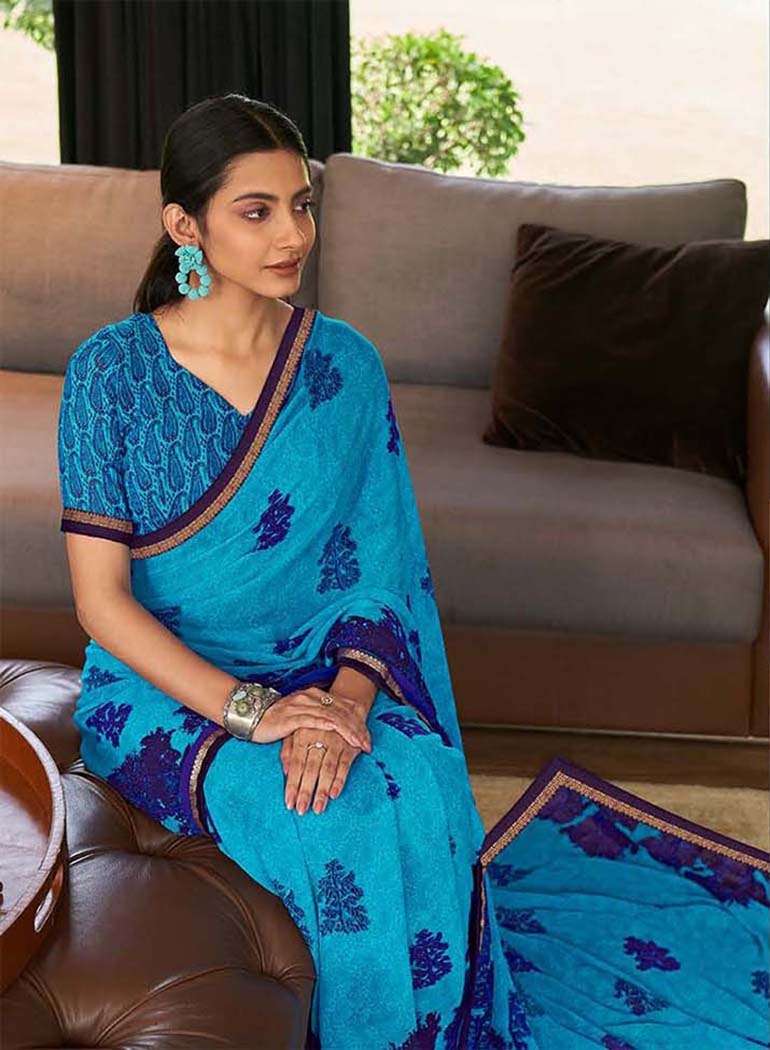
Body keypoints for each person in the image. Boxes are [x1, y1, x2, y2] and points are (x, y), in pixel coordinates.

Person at [57, 93, 769, 1050]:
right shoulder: (110, 374)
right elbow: (101, 604)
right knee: (331, 816)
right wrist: (257, 713)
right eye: (256, 211)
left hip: (319, 668)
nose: (292, 235)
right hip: (164, 690)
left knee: (423, 783)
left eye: (301, 205)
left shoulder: (342, 366)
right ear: (186, 226)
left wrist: (344, 705)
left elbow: (377, 578)